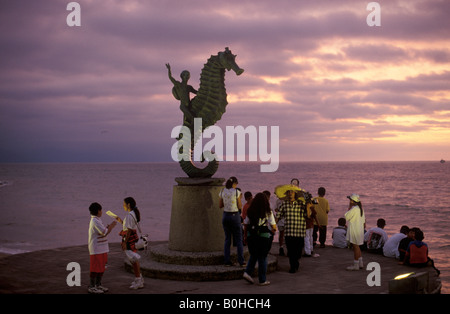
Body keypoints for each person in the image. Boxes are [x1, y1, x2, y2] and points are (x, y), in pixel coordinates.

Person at [242, 193, 277, 286]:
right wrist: (273, 231)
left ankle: (247, 273)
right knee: (262, 257)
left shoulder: (250, 211)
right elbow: (273, 226)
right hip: (263, 236)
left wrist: (245, 236)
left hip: (251, 236)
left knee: (253, 255)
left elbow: (246, 224)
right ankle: (262, 279)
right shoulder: (268, 211)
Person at [88, 202, 117, 294]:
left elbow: (102, 231)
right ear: (98, 211)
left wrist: (108, 228)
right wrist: (111, 227)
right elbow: (104, 232)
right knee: (95, 268)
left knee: (102, 267)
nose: (101, 212)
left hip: (102, 248)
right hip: (97, 249)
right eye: (101, 210)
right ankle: (92, 286)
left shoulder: (97, 220)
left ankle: (98, 284)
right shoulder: (95, 221)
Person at [276, 189, 307, 273]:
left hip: (299, 232)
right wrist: (273, 225)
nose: (290, 194)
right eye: (289, 192)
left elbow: (308, 214)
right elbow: (279, 215)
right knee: (290, 251)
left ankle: (295, 262)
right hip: (289, 232)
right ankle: (292, 267)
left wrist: (309, 203)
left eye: (292, 192)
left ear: (295, 194)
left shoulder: (301, 204)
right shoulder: (284, 204)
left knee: (298, 252)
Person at [116, 197, 144, 290]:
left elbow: (128, 230)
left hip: (130, 239)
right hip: (134, 237)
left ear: (128, 205)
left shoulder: (129, 215)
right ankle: (139, 279)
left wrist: (124, 242)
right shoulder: (134, 213)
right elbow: (130, 226)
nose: (123, 206)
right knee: (134, 259)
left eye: (124, 204)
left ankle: (138, 280)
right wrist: (121, 221)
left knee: (133, 260)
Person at [219, 177, 245, 266]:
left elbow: (220, 205)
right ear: (234, 184)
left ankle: (227, 261)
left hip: (225, 215)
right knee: (238, 239)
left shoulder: (222, 191)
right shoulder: (237, 192)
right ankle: (241, 261)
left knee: (227, 239)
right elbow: (240, 205)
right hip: (234, 216)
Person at [344, 194, 365, 271]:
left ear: (352, 201)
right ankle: (360, 262)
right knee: (358, 246)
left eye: (350, 200)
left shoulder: (354, 209)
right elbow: (363, 221)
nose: (349, 201)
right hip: (359, 230)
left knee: (355, 247)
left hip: (354, 230)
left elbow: (346, 217)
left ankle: (356, 265)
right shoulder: (360, 209)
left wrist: (349, 207)